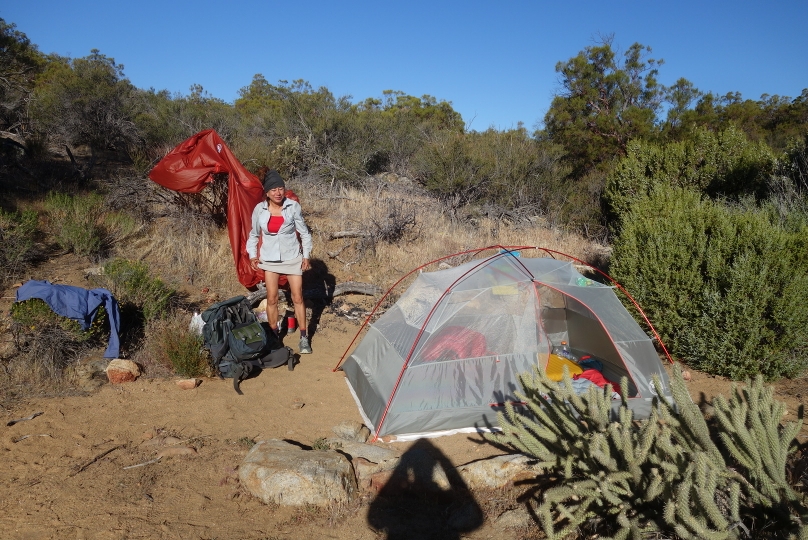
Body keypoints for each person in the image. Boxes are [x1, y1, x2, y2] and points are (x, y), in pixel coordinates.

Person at [247, 170, 313, 354]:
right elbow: (253, 235)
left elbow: (305, 233)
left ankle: (303, 337)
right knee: (272, 298)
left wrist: (306, 256)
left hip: (292, 257)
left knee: (298, 297)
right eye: (273, 189)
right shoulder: (259, 210)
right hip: (270, 259)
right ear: (267, 193)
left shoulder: (293, 207)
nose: (278, 192)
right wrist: (253, 255)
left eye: (281, 188)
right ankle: (274, 335)